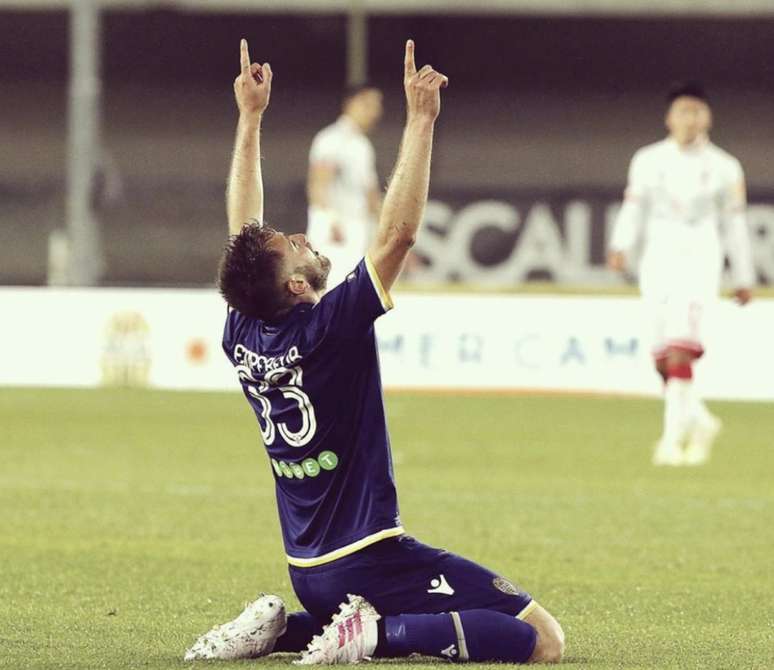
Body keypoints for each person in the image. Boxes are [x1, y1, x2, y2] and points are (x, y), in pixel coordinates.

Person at [184, 38, 564, 665]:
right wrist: (421, 121)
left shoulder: (242, 330)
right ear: (299, 287)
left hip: (307, 566)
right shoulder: (330, 326)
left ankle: (285, 631)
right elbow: (398, 234)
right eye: (292, 246)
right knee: (540, 640)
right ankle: (372, 636)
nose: (301, 237)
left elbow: (242, 235)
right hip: (370, 557)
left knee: (466, 619)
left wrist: (249, 119)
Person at [608, 81, 754, 467]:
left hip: (700, 260)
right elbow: (634, 208)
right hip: (657, 261)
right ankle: (702, 421)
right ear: (669, 117)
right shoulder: (647, 160)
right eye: (683, 111)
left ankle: (671, 440)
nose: (690, 119)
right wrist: (621, 244)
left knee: (679, 351)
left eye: (697, 111)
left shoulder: (724, 167)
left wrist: (743, 274)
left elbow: (735, 225)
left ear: (708, 117)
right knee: (661, 359)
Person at [306, 82, 383, 289]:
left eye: (377, 105)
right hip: (335, 228)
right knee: (329, 288)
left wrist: (384, 229)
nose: (375, 111)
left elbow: (370, 194)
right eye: (368, 104)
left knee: (351, 291)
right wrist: (330, 221)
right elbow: (318, 184)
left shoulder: (362, 145)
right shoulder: (331, 139)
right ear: (350, 104)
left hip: (356, 228)